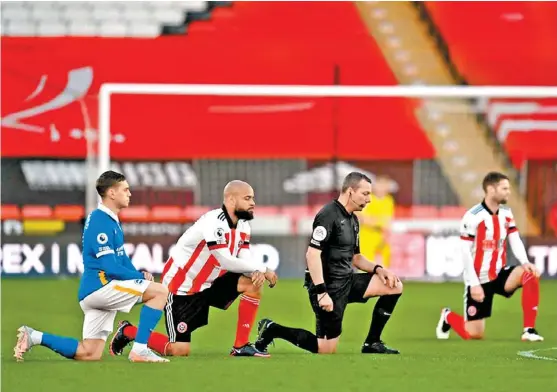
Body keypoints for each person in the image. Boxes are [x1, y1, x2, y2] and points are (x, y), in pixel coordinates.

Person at [14, 171, 170, 363]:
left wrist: (139, 274)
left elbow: (120, 258)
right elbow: (110, 267)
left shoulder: (109, 220)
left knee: (89, 353)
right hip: (102, 288)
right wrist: (137, 276)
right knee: (161, 291)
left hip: (95, 293)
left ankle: (34, 336)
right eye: (125, 189)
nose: (130, 194)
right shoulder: (100, 221)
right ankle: (140, 350)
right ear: (112, 193)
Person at [109, 180, 278, 357]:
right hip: (182, 287)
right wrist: (262, 268)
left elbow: (242, 257)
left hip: (211, 283)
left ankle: (240, 346)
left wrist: (255, 272)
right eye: (247, 198)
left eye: (253, 198)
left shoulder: (243, 225)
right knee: (180, 350)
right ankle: (128, 331)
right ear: (231, 200)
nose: (253, 203)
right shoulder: (214, 222)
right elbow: (224, 260)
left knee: (253, 283)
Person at [255, 172, 403, 355]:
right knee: (326, 350)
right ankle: (272, 329)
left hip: (347, 280)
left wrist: (379, 269)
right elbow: (312, 254)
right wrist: (322, 292)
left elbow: (356, 258)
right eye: (365, 194)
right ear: (350, 191)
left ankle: (372, 343)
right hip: (328, 288)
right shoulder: (328, 215)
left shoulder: (353, 219)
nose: (369, 199)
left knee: (394, 286)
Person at [436, 171, 544, 342]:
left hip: (500, 273)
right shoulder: (473, 216)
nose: (509, 192)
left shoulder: (506, 213)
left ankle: (529, 330)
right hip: (479, 278)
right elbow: (465, 252)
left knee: (529, 274)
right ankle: (448, 316)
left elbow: (514, 239)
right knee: (474, 334)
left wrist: (525, 262)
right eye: (505, 188)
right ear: (492, 189)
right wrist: (474, 284)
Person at [357, 175, 395, 268]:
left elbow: (388, 220)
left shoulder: (389, 200)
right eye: (380, 185)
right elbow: (362, 218)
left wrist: (382, 226)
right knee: (365, 263)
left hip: (382, 236)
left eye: (384, 186)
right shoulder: (367, 199)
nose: (382, 188)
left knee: (385, 262)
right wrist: (378, 222)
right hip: (367, 236)